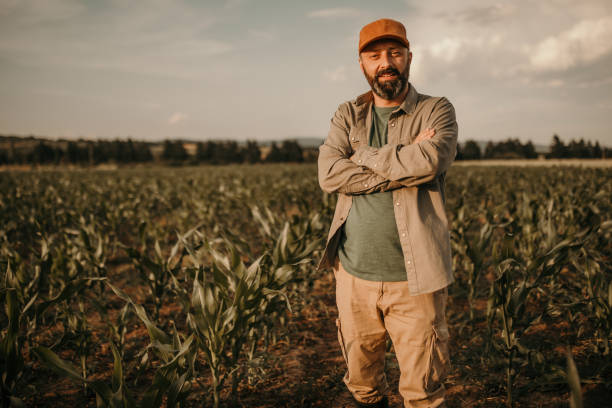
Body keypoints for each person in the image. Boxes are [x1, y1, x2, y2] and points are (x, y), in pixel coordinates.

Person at [317, 18, 458, 408]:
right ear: (362, 64)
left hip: (415, 280)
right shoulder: (348, 114)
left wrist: (359, 156)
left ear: (409, 57)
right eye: (375, 55)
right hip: (352, 276)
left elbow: (430, 160)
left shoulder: (435, 110)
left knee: (422, 393)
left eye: (395, 53)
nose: (386, 62)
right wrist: (401, 167)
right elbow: (329, 174)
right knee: (363, 387)